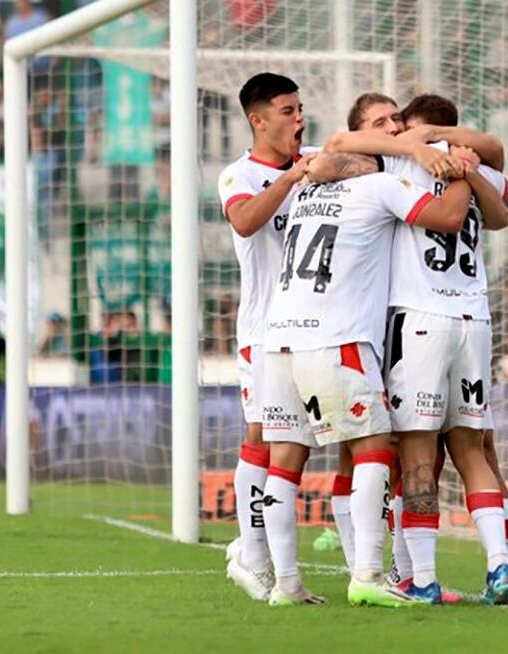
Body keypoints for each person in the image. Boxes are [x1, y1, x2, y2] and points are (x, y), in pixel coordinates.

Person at [310, 92, 508, 605]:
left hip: (418, 321)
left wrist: (422, 146)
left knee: (417, 454)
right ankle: (501, 568)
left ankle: (422, 578)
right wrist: (466, 165)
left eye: (403, 125)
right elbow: (506, 209)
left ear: (418, 130)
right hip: (474, 320)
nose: (396, 132)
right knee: (472, 449)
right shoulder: (475, 169)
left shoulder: (394, 164)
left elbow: (333, 151)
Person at [260, 158, 473, 607]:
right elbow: (451, 218)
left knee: (282, 463)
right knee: (375, 449)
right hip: (336, 339)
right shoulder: (378, 185)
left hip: (277, 341)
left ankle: (285, 583)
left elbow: (330, 157)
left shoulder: (306, 191)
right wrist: (461, 170)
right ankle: (368, 574)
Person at [215, 72, 318, 601]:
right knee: (262, 439)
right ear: (257, 120)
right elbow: (246, 222)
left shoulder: (318, 160)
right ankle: (252, 555)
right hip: (264, 330)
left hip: (320, 328)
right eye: (286, 110)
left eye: (299, 108)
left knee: (307, 446)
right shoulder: (238, 175)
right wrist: (292, 179)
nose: (298, 118)